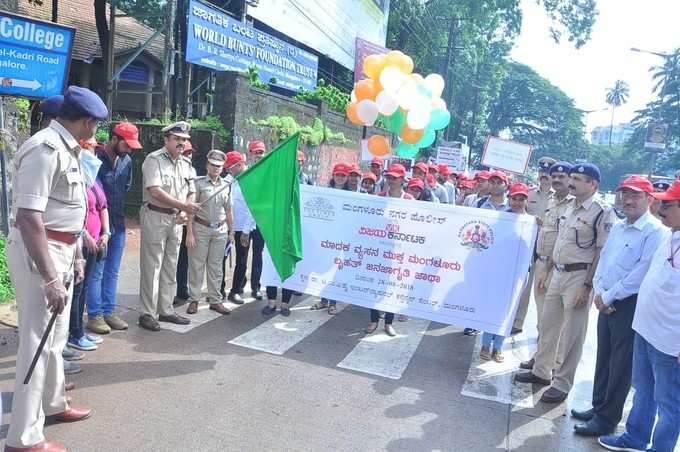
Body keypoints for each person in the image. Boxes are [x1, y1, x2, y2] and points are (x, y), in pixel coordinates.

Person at [4, 86, 108, 452]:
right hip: (40, 253)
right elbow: (30, 218)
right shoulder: (45, 149)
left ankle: (53, 402)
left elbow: (70, 212)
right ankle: (23, 437)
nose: (97, 131)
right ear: (86, 121)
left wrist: (76, 256)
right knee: (36, 341)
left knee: (56, 337)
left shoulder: (68, 149)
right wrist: (51, 276)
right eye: (96, 125)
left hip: (61, 250)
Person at [570, 176, 667, 437]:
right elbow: (604, 261)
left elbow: (641, 272)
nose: (628, 200)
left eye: (635, 195)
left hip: (628, 304)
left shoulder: (656, 232)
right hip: (607, 301)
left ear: (650, 199)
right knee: (604, 358)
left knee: (621, 366)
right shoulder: (620, 226)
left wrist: (610, 295)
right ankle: (598, 405)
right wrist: (600, 292)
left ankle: (607, 418)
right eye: (625, 194)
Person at [515, 163, 617, 404]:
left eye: (578, 179)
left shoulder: (602, 211)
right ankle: (541, 372)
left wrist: (587, 286)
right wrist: (547, 270)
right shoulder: (569, 206)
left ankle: (562, 383)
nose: (571, 182)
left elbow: (601, 252)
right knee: (548, 325)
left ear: (593, 184)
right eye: (571, 178)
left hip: (579, 277)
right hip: (557, 273)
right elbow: (560, 241)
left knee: (572, 334)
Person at [598, 179, 680, 452]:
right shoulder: (671, 235)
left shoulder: (660, 232)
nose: (661, 208)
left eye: (667, 204)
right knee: (643, 391)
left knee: (669, 403)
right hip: (646, 328)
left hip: (671, 341)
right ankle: (635, 437)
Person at [138, 121, 200, 332]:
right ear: (167, 139)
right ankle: (147, 313)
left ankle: (165, 309)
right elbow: (155, 191)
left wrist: (184, 210)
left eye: (184, 140)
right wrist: (184, 206)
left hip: (176, 220)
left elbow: (191, 191)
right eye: (177, 139)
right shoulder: (153, 160)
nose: (181, 143)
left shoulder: (187, 165)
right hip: (155, 215)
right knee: (152, 266)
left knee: (170, 266)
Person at [87, 123, 142, 335]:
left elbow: (125, 188)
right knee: (97, 271)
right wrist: (101, 228)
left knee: (112, 271)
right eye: (126, 145)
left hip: (118, 224)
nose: (129, 150)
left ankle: (109, 311)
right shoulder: (95, 159)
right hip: (99, 227)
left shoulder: (127, 161)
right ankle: (95, 315)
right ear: (114, 138)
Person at [519, 162, 574, 371]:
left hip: (556, 267)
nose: (557, 179)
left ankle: (552, 364)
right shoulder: (552, 199)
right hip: (541, 261)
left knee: (555, 322)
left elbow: (564, 239)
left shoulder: (572, 204)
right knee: (543, 317)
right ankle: (542, 357)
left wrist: (549, 268)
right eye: (554, 176)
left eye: (562, 176)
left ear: (570, 179)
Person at [481, 183, 531, 362]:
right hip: (499, 270)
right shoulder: (500, 219)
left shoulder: (532, 222)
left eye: (521, 198)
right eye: (515, 198)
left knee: (509, 311)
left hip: (518, 273)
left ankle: (498, 347)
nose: (518, 202)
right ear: (509, 199)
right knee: (493, 308)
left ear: (527, 200)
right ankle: (486, 344)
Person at [68, 138, 109, 352]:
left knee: (82, 290)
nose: (93, 153)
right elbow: (75, 212)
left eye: (94, 148)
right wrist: (86, 236)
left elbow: (103, 206)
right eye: (90, 148)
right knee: (76, 290)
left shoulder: (93, 177)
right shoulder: (76, 176)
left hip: (96, 240)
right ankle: (72, 333)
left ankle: (79, 331)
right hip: (80, 243)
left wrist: (106, 232)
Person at [366, 164, 414, 336]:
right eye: (389, 177)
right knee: (374, 285)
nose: (391, 180)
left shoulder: (409, 200)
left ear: (402, 180)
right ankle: (373, 320)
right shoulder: (379, 197)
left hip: (398, 253)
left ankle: (388, 322)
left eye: (395, 177)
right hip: (379, 251)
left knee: (392, 288)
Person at [185, 150, 234, 316]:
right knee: (196, 266)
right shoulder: (198, 183)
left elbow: (228, 211)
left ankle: (215, 300)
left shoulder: (226, 185)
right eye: (213, 165)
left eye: (219, 166)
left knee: (216, 267)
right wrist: (189, 233)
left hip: (220, 230)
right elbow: (191, 210)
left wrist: (231, 232)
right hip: (201, 228)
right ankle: (194, 299)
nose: (216, 168)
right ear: (207, 165)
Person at [511, 158, 555, 335]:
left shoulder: (559, 198)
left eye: (548, 172)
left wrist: (543, 224)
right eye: (542, 172)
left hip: (545, 251)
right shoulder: (529, 194)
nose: (544, 175)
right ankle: (517, 322)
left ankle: (541, 329)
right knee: (523, 288)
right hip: (527, 248)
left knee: (542, 291)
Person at [311, 162, 349, 315]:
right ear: (333, 175)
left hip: (341, 239)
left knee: (336, 271)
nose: (340, 178)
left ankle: (333, 302)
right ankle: (323, 300)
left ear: (346, 177)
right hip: (326, 238)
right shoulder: (325, 192)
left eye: (343, 175)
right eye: (337, 174)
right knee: (324, 268)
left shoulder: (353, 195)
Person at [222, 151, 256, 304]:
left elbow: (252, 208)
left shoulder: (252, 180)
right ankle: (219, 288)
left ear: (240, 165)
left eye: (230, 168)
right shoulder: (228, 179)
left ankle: (236, 290)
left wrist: (246, 231)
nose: (228, 171)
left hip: (244, 227)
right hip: (228, 226)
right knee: (221, 257)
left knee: (241, 260)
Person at [175, 140, 197, 303]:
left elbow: (192, 196)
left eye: (190, 153)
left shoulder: (192, 170)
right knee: (170, 258)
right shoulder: (173, 167)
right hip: (172, 218)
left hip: (187, 220)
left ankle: (182, 289)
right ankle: (168, 291)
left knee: (184, 258)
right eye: (186, 152)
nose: (189, 155)